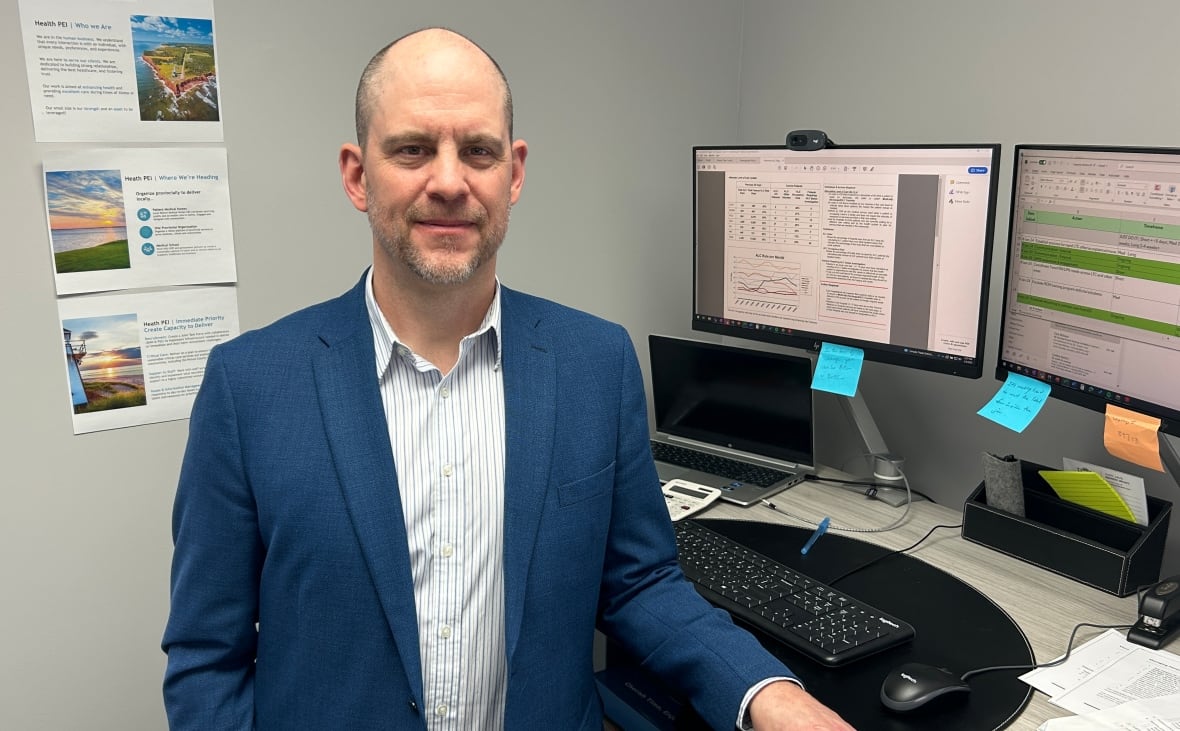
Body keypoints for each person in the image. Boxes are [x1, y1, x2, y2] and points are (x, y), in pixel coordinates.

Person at [162, 26, 854, 731]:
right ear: (356, 174)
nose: (449, 180)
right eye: (412, 149)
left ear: (514, 173)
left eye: (479, 151)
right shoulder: (249, 387)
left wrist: (771, 694)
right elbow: (204, 659)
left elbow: (640, 583)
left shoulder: (596, 364)